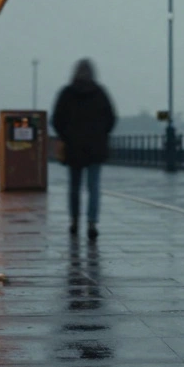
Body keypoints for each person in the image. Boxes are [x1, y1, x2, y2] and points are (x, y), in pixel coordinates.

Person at [51, 59, 117, 239]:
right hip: (95, 147)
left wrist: (66, 135)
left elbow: (56, 119)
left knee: (74, 187)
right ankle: (92, 222)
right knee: (93, 187)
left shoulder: (67, 93)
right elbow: (111, 118)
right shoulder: (100, 93)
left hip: (73, 147)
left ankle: (74, 221)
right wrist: (101, 134)